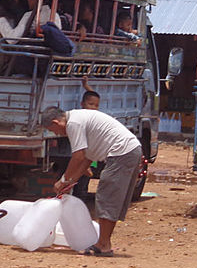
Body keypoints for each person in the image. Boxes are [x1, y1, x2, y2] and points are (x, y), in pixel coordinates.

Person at [42, 105, 142, 256]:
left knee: (107, 196)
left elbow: (78, 156)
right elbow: (87, 157)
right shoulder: (77, 118)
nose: (56, 133)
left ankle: (103, 244)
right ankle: (104, 242)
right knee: (110, 197)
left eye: (53, 130)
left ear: (56, 123)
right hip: (129, 151)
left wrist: (63, 180)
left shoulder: (73, 124)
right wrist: (70, 182)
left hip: (122, 152)